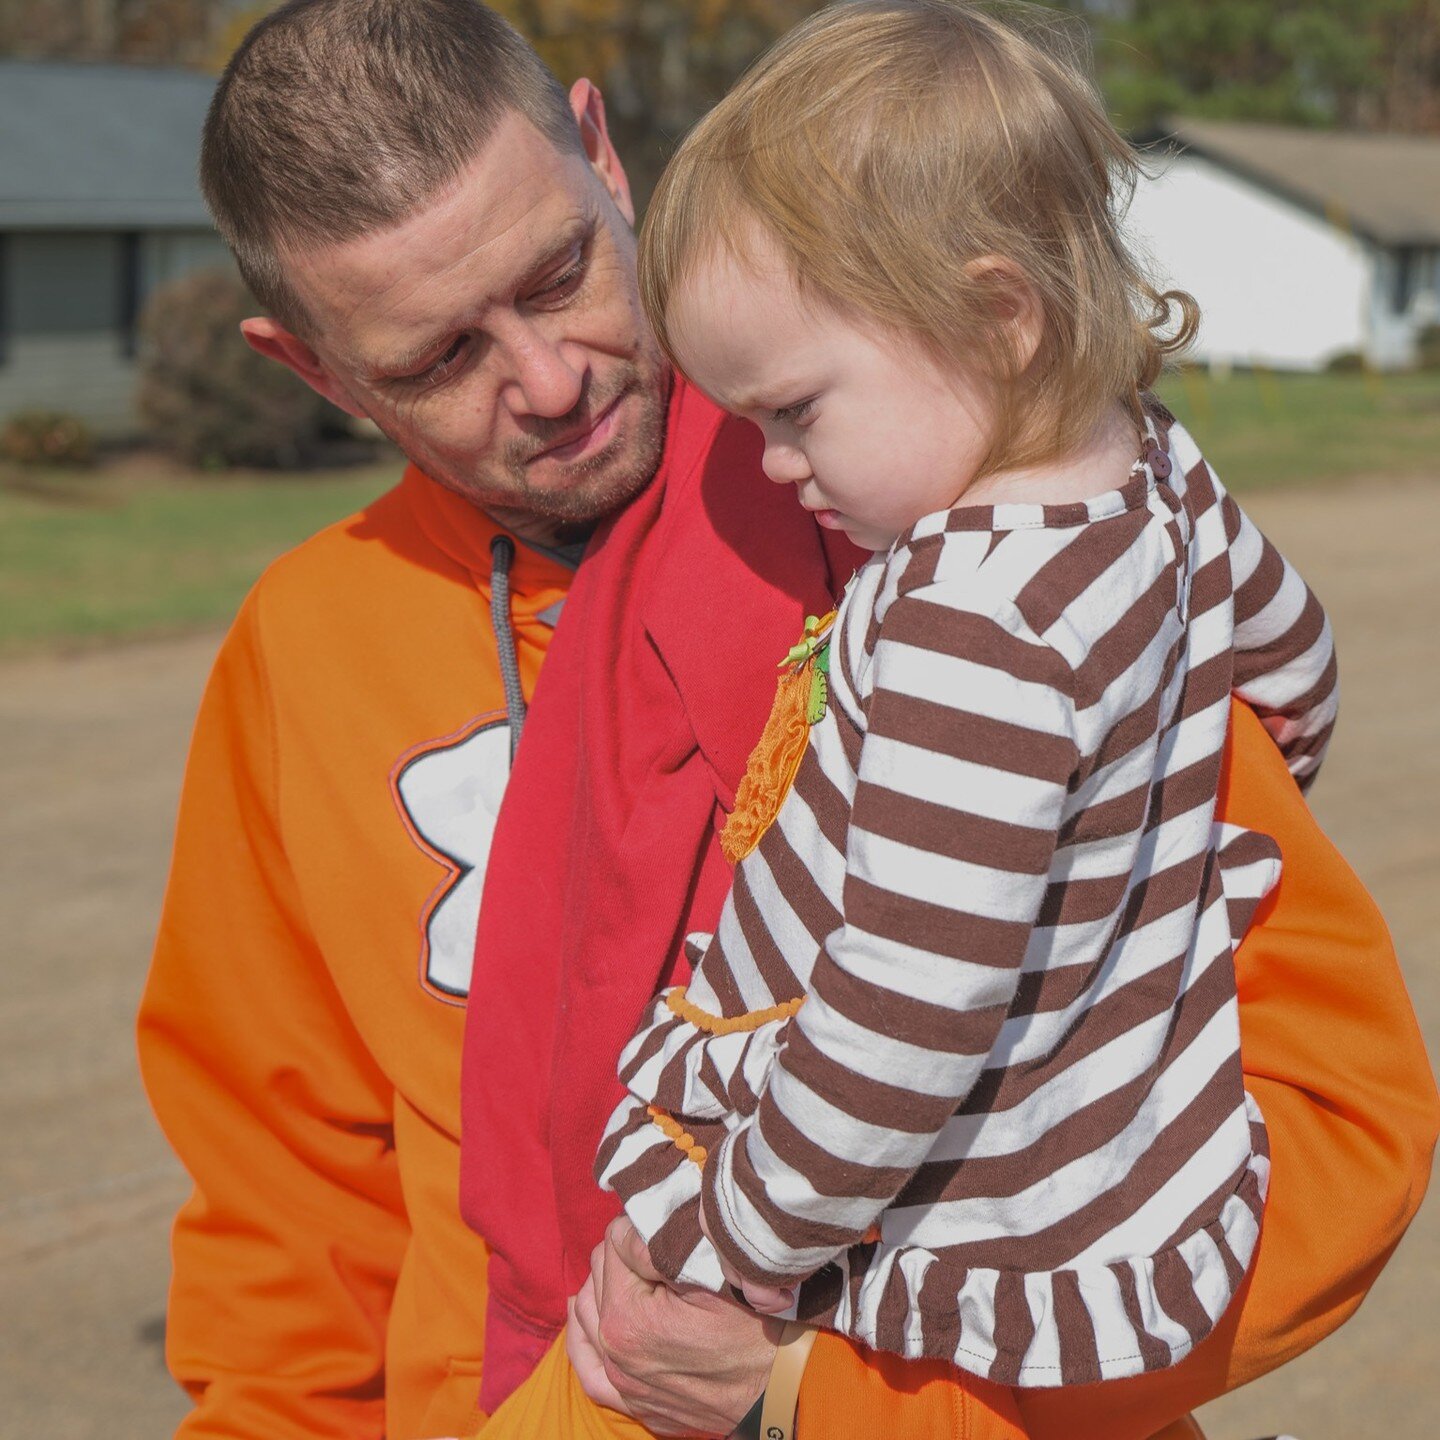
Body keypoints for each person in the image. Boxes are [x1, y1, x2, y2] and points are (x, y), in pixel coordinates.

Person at [134, 1, 1437, 1438]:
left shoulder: (964, 520)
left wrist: (834, 1395)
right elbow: (286, 1228)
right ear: (310, 368)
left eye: (559, 271)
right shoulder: (300, 652)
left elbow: (1330, 1112)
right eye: (439, 357)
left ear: (600, 154)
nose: (551, 380)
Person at [592, 0, 1339, 1389]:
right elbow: (1290, 662)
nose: (770, 467)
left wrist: (753, 1226)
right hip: (1117, 1109)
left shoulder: (969, 627)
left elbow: (905, 1007)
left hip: (950, 1176)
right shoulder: (1159, 470)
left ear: (997, 319)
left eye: (795, 410)